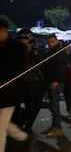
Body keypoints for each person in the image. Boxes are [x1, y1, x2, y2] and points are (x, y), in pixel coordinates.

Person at [0, 19, 29, 152]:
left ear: (4, 30)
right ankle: (23, 137)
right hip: (3, 91)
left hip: (10, 92)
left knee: (0, 125)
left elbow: (18, 71)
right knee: (3, 123)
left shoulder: (17, 47)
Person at [14, 31, 47, 135]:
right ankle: (19, 125)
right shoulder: (19, 53)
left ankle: (28, 127)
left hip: (39, 81)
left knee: (36, 107)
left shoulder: (34, 51)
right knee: (29, 107)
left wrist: (35, 53)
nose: (28, 44)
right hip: (26, 82)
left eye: (29, 41)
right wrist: (25, 52)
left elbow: (42, 63)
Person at [42, 34, 68, 138]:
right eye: (48, 42)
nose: (50, 44)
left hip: (55, 82)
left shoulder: (59, 51)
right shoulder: (52, 51)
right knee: (53, 105)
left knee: (54, 105)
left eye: (52, 41)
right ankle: (54, 126)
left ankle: (58, 128)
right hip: (51, 81)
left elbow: (62, 68)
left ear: (56, 40)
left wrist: (57, 80)